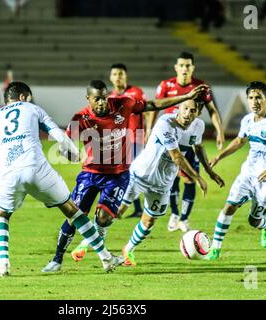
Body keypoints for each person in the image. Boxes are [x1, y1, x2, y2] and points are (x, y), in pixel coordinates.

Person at [42, 80, 209, 272]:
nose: (102, 102)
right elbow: (66, 145)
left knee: (104, 217)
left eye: (104, 97)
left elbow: (153, 104)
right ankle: (57, 259)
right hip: (90, 173)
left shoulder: (123, 104)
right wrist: (69, 153)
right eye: (97, 99)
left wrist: (186, 96)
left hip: (117, 175)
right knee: (74, 215)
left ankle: (103, 253)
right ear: (88, 98)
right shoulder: (80, 118)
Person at [0, 81, 125, 277]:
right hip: (36, 169)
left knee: (2, 216)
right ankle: (106, 257)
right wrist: (75, 153)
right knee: (73, 211)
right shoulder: (33, 109)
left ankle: (3, 265)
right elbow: (58, 135)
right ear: (24, 97)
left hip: (7, 173)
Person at [118, 99, 224, 266]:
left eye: (192, 110)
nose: (188, 113)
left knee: (149, 220)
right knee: (117, 211)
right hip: (141, 175)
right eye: (185, 108)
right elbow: (176, 156)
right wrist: (198, 177)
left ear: (198, 113)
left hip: (162, 183)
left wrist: (210, 172)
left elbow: (198, 147)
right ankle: (88, 243)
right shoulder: (165, 122)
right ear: (178, 108)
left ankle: (128, 249)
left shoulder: (198, 126)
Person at [205, 81, 266, 260]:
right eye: (251, 98)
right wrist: (219, 156)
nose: (254, 102)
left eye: (259, 98)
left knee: (254, 220)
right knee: (229, 206)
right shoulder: (247, 120)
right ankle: (215, 249)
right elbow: (240, 141)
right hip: (249, 173)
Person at [146, 51, 225, 233]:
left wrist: (219, 130)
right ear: (176, 67)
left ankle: (184, 218)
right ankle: (174, 214)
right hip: (169, 140)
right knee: (171, 178)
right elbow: (154, 107)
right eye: (181, 65)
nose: (184, 69)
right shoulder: (166, 85)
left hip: (189, 141)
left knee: (190, 180)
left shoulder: (201, 87)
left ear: (193, 68)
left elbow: (212, 110)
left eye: (188, 65)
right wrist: (150, 129)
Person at [108, 63, 147, 218]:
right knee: (123, 172)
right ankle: (135, 207)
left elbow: (148, 111)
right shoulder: (110, 97)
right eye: (115, 74)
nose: (118, 77)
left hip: (136, 138)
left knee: (133, 172)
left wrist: (149, 129)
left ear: (126, 76)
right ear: (111, 78)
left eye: (121, 74)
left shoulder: (136, 92)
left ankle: (126, 205)